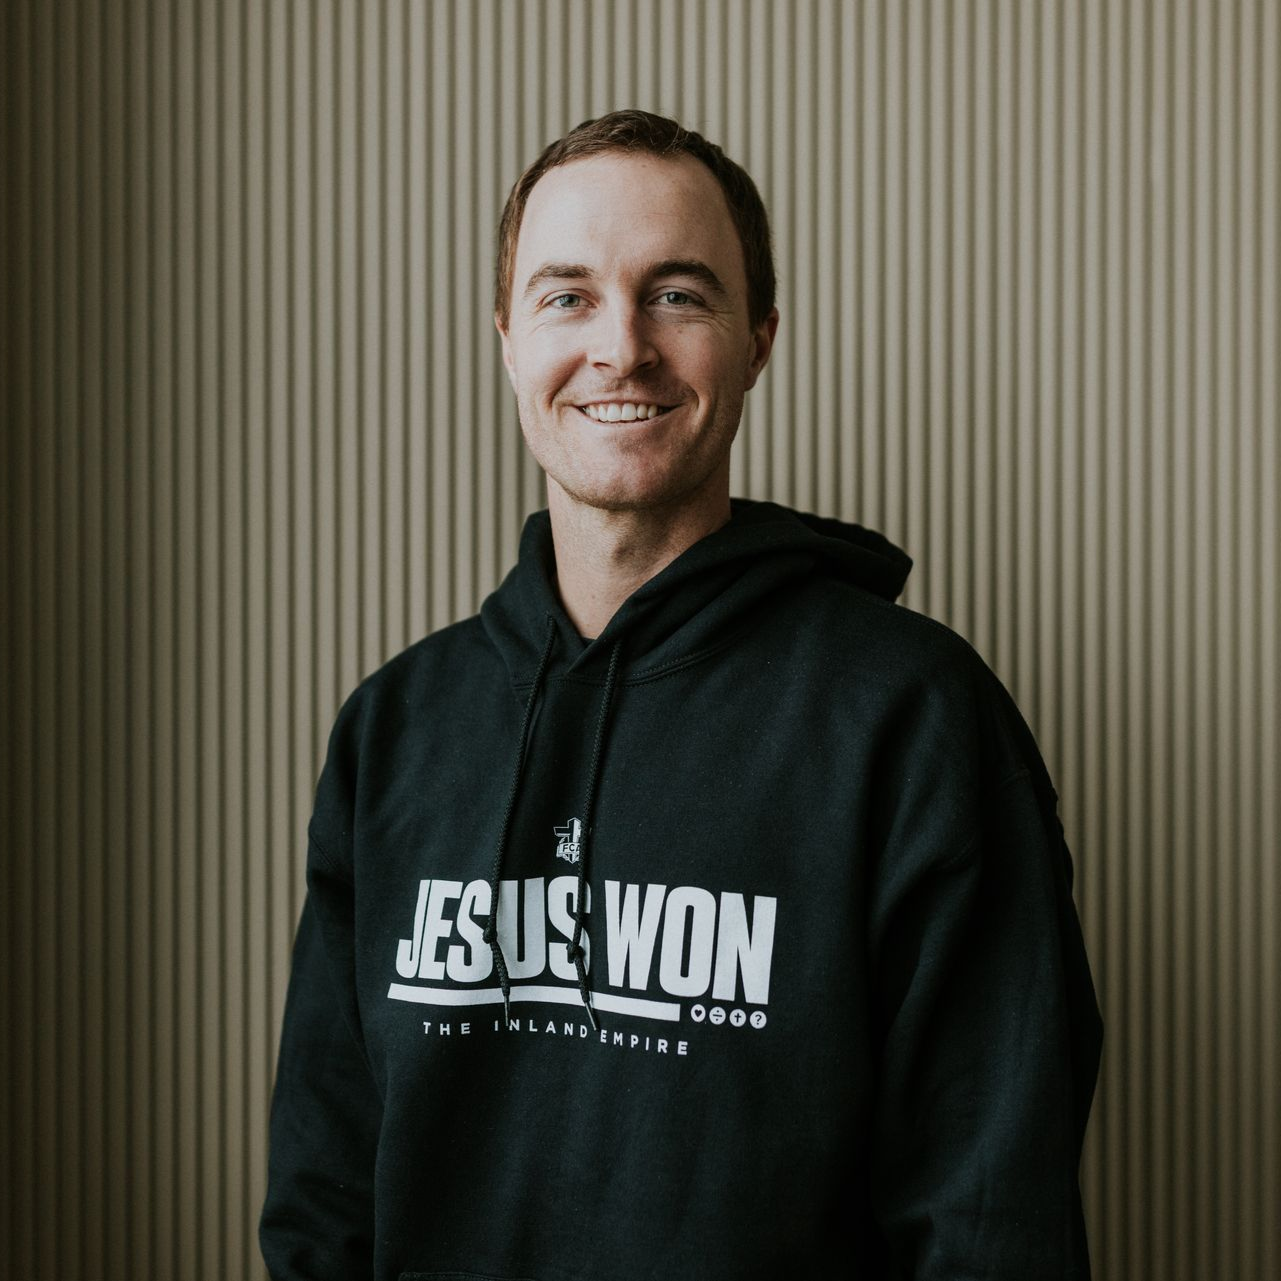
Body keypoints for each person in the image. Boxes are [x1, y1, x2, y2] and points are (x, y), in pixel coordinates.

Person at [260, 109, 1102, 1280]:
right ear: (507, 339)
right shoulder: (395, 731)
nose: (622, 348)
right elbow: (323, 1199)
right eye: (568, 296)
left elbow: (992, 1223)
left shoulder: (914, 721)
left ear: (758, 341)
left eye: (677, 294)